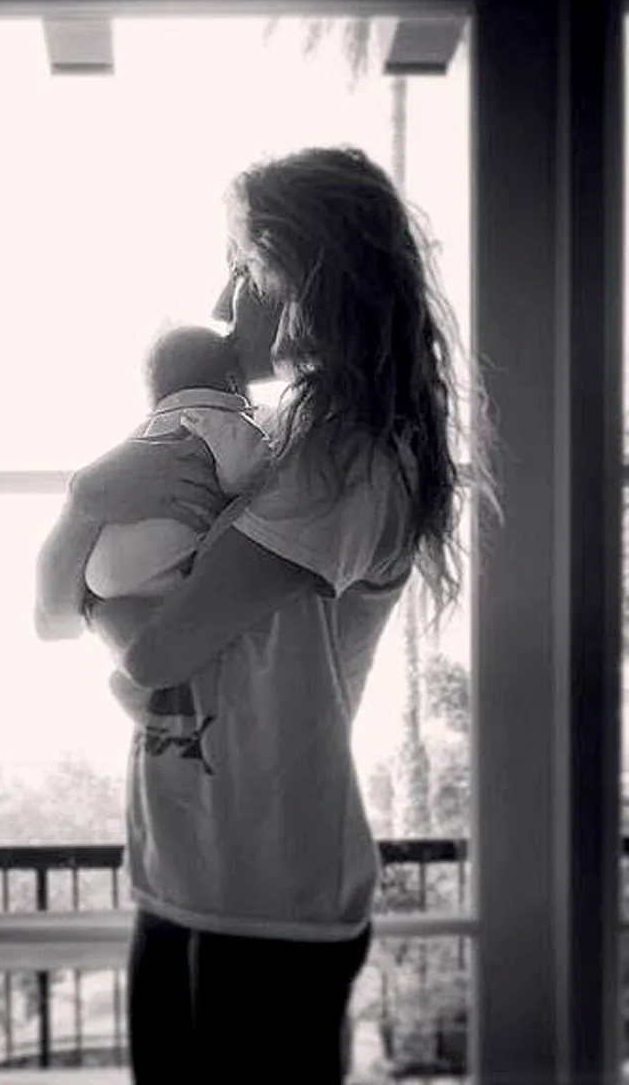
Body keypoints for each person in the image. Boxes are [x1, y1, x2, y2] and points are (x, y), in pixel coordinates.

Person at [35, 145, 496, 1083]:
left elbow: (154, 657)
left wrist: (96, 584)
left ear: (307, 274)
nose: (222, 297)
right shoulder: (267, 440)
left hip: (272, 898)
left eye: (244, 267)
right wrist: (85, 500)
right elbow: (51, 615)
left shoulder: (349, 459)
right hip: (179, 868)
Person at [83, 322, 273, 603]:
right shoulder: (220, 419)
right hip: (156, 563)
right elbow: (244, 473)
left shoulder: (146, 431)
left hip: (100, 570)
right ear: (234, 382)